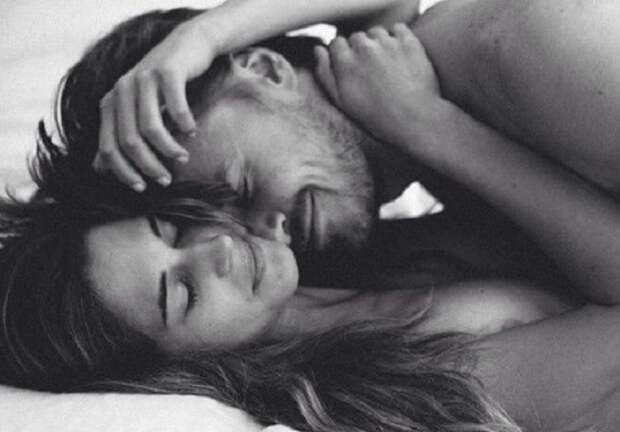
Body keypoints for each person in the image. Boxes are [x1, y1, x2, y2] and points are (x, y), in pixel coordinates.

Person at [3, 4, 620, 431]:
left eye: (182, 226)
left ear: (266, 70)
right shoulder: (368, 358)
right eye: (182, 293)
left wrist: (201, 38)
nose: (228, 242)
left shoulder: (514, 49)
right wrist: (428, 125)